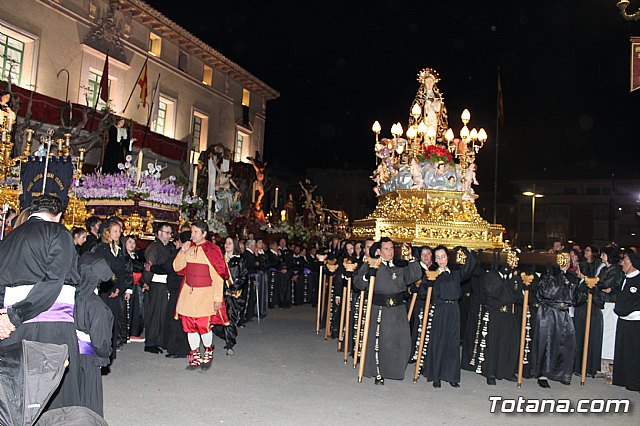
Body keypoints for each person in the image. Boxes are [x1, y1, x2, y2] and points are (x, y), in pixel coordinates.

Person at [0, 194, 81, 411]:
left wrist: (4, 318)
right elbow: (54, 281)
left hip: (11, 325)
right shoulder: (58, 232)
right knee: (54, 393)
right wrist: (16, 314)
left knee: (16, 390)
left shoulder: (10, 237)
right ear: (59, 216)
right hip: (50, 323)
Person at [354, 237, 422, 384]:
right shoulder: (371, 264)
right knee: (381, 342)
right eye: (386, 248)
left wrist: (410, 258)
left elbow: (415, 275)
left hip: (398, 309)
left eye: (391, 248)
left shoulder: (399, 266)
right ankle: (379, 372)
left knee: (400, 341)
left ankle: (395, 370)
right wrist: (367, 275)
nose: (390, 251)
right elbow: (358, 283)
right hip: (380, 308)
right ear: (379, 251)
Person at [173, 220, 230, 370]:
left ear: (204, 234)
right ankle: (195, 354)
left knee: (203, 326)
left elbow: (218, 276)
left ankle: (208, 351)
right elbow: (177, 267)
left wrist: (217, 299)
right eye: (192, 232)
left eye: (195, 232)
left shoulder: (213, 250)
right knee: (189, 325)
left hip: (205, 295)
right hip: (188, 294)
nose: (192, 235)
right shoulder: (189, 248)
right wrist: (182, 251)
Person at [421, 245, 475, 388]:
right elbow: (423, 292)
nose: (441, 260)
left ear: (448, 257)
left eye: (443, 256)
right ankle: (436, 376)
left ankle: (451, 375)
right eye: (437, 257)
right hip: (440, 309)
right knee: (439, 341)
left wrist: (466, 252)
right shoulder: (431, 273)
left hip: (454, 309)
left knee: (452, 341)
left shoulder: (455, 273)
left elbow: (469, 269)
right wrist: (429, 283)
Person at [530, 253, 579, 388]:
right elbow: (545, 293)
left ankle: (562, 373)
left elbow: (576, 298)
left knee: (567, 343)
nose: (567, 262)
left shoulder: (572, 276)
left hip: (564, 313)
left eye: (569, 260)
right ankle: (542, 374)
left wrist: (586, 289)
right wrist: (559, 277)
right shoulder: (549, 274)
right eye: (564, 260)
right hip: (549, 312)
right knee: (547, 343)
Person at [76, 253, 114, 417]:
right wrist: (103, 356)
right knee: (89, 397)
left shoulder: (70, 295)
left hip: (69, 351)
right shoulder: (97, 306)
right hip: (88, 355)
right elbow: (101, 339)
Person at [93, 219, 132, 359]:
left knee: (113, 321)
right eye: (115, 231)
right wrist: (109, 287)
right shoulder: (101, 249)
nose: (118, 234)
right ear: (107, 233)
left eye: (119, 231)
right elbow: (100, 271)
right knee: (103, 322)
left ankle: (111, 350)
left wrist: (119, 288)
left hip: (115, 291)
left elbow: (122, 272)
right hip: (104, 291)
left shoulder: (119, 250)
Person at [142, 222, 174, 354]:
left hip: (164, 284)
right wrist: (147, 282)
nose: (169, 235)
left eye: (170, 233)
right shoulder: (154, 247)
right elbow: (149, 266)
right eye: (167, 233)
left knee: (162, 313)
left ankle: (159, 340)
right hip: (156, 284)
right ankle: (150, 342)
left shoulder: (166, 247)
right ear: (159, 233)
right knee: (155, 313)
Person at [613, 252, 640, 392]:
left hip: (635, 322)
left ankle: (635, 382)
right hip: (623, 320)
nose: (622, 264)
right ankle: (622, 378)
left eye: (625, 261)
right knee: (622, 351)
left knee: (634, 352)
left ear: (632, 264)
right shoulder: (625, 278)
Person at [217, 237, 248, 355]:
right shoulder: (220, 259)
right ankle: (228, 337)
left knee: (230, 318)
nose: (226, 245)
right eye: (225, 243)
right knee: (219, 320)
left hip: (234, 294)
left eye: (229, 243)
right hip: (221, 293)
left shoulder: (240, 260)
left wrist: (233, 288)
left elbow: (244, 276)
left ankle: (229, 342)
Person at [163, 231, 190, 359]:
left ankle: (178, 348)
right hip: (184, 290)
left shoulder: (180, 253)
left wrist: (152, 268)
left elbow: (169, 267)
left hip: (178, 290)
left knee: (176, 319)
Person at [124, 235, 145, 341]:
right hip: (129, 284)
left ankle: (134, 332)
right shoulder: (123, 256)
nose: (132, 245)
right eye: (129, 242)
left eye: (133, 243)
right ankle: (127, 333)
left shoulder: (135, 256)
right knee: (128, 309)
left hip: (137, 284)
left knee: (138, 309)